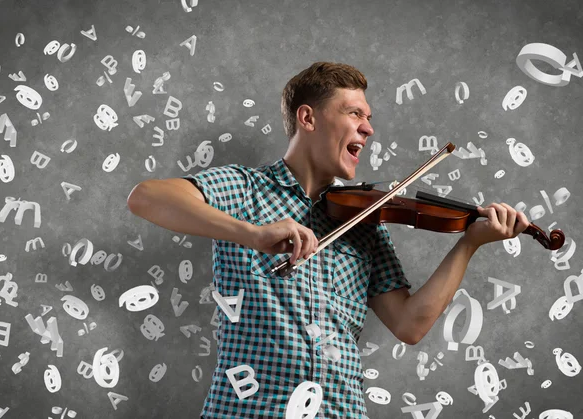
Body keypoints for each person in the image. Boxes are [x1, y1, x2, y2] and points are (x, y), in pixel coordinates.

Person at [127, 61, 530, 418]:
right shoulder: (246, 188)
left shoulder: (365, 220)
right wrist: (252, 234)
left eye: (368, 117)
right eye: (354, 113)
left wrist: (469, 243)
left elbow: (410, 324)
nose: (368, 128)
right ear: (308, 118)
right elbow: (146, 197)